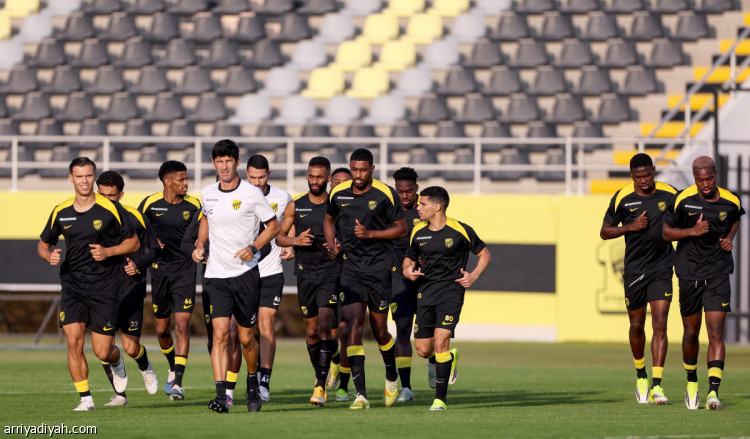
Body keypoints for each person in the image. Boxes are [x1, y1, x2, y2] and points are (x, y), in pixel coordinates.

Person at [38, 157, 139, 411]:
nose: (84, 181)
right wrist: (48, 255)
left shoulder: (111, 208)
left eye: (88, 175)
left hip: (105, 286)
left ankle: (116, 360)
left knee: (102, 351)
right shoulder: (61, 211)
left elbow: (133, 243)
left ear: (94, 177)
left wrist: (108, 252)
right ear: (71, 178)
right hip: (73, 285)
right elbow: (43, 242)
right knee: (73, 341)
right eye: (79, 176)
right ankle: (86, 399)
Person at [192, 139, 279, 413]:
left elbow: (273, 226)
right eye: (219, 161)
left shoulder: (252, 194)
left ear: (237, 163)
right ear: (213, 163)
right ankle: (221, 396)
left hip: (245, 275)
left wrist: (253, 247)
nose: (224, 166)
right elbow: (206, 218)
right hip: (216, 276)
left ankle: (252, 383)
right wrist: (200, 244)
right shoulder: (207, 193)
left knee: (245, 339)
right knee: (219, 335)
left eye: (228, 161)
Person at [324, 148, 406, 409]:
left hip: (379, 271)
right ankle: (361, 395)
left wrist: (370, 234)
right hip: (350, 270)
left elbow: (401, 229)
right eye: (354, 169)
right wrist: (332, 244)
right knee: (353, 327)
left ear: (372, 169)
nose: (358, 175)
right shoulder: (339, 192)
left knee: (380, 332)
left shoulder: (385, 193)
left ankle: (391, 375)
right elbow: (328, 219)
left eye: (362, 170)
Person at [663, 156, 743, 410]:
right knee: (690, 333)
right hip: (689, 273)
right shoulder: (682, 200)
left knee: (716, 332)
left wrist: (729, 237)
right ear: (694, 178)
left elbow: (736, 219)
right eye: (700, 180)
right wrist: (691, 231)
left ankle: (713, 393)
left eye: (709, 179)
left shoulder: (731, 201)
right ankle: (691, 381)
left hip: (718, 272)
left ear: (715, 174)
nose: (705, 184)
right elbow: (666, 232)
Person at [403, 186, 491, 411]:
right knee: (423, 350)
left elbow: (484, 254)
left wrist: (473, 276)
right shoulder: (417, 231)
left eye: (422, 204)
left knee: (441, 341)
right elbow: (409, 258)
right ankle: (449, 358)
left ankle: (439, 400)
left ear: (437, 207)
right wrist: (407, 270)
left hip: (451, 292)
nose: (418, 207)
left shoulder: (460, 229)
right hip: (425, 292)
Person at [599, 153, 677, 405]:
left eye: (647, 175)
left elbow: (687, 215)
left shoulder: (669, 193)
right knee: (636, 325)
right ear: (631, 175)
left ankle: (657, 385)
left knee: (660, 323)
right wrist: (630, 227)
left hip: (662, 268)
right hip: (634, 270)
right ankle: (641, 374)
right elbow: (604, 231)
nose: (644, 180)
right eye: (638, 176)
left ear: (653, 170)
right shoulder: (622, 197)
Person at [276, 157, 340, 406]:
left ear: (328, 178)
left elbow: (348, 235)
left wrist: (339, 246)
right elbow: (279, 237)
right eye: (311, 176)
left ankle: (319, 385)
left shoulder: (336, 205)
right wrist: (295, 241)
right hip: (305, 275)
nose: (315, 181)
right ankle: (320, 374)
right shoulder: (296, 205)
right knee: (312, 332)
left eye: (319, 177)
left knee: (325, 326)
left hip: (330, 274)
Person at [96, 171, 161, 406]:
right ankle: (120, 394)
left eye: (111, 196)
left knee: (131, 347)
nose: (106, 200)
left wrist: (138, 265)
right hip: (101, 290)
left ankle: (145, 366)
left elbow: (155, 248)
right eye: (102, 195)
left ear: (121, 195)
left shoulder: (135, 217)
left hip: (131, 287)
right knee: (103, 348)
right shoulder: (89, 218)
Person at [139, 160, 202, 401]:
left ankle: (177, 383)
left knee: (182, 325)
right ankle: (172, 365)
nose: (186, 183)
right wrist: (150, 242)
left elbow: (203, 232)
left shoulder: (194, 205)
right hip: (159, 273)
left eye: (187, 178)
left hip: (185, 271)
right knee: (162, 330)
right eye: (181, 179)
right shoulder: (149, 204)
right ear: (167, 181)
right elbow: (135, 231)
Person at [246, 154, 293, 402]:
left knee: (266, 325)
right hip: (244, 273)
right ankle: (251, 374)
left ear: (269, 175)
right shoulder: (239, 196)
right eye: (253, 177)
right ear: (246, 175)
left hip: (272, 271)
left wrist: (291, 244)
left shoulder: (282, 197)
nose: (257, 182)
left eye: (261, 177)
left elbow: (291, 220)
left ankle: (264, 381)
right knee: (247, 331)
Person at [326, 167, 352, 402]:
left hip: (351, 277)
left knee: (346, 331)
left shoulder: (358, 209)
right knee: (326, 333)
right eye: (337, 182)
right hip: (325, 278)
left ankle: (344, 385)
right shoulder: (323, 209)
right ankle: (334, 360)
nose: (341, 186)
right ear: (330, 183)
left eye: (346, 182)